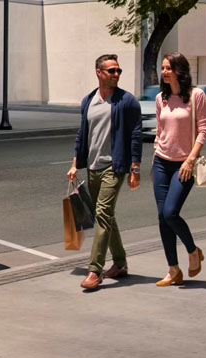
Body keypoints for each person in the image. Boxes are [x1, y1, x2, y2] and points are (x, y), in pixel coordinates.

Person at [68, 54, 142, 290]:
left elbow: (136, 135)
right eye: (112, 71)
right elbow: (83, 135)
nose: (116, 75)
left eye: (118, 71)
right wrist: (74, 163)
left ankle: (94, 271)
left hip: (114, 166)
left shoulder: (127, 101)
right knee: (106, 216)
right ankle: (120, 264)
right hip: (92, 167)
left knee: (102, 213)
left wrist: (135, 168)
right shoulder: (88, 101)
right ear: (99, 72)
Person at [151, 52, 206, 286]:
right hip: (161, 163)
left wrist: (190, 160)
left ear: (179, 70)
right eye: (162, 68)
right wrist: (156, 153)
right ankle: (173, 270)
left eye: (168, 68)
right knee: (162, 217)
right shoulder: (160, 98)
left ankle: (193, 250)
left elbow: (203, 130)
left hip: (184, 165)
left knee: (170, 212)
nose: (164, 72)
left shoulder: (196, 95)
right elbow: (159, 131)